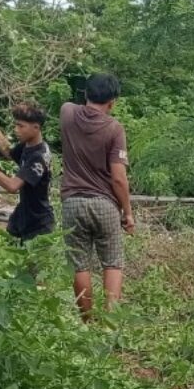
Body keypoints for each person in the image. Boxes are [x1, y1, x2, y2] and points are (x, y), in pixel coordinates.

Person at [59, 73, 134, 320]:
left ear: (86, 94)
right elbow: (119, 178)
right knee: (112, 262)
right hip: (104, 204)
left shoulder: (67, 113)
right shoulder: (114, 129)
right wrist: (128, 213)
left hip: (72, 202)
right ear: (112, 102)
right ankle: (110, 320)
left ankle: (87, 322)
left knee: (80, 264)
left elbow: (74, 108)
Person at [0, 103, 55, 243]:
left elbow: (13, 186)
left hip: (39, 225)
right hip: (24, 219)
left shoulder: (39, 156)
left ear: (36, 128)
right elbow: (8, 151)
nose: (16, 130)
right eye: (16, 125)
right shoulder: (28, 145)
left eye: (21, 126)